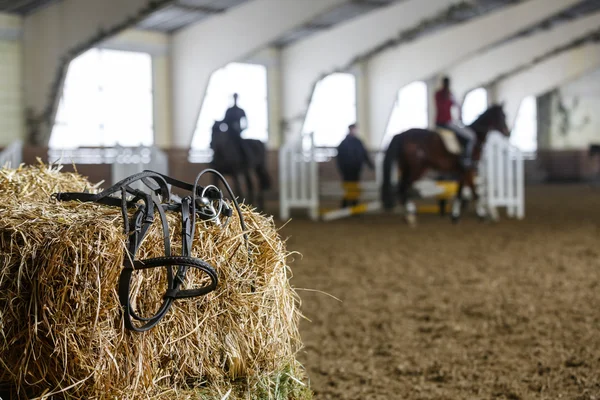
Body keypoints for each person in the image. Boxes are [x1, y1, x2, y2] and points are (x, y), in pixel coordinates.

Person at [435, 76, 475, 168]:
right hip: (445, 123)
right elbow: (450, 107)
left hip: (444, 122)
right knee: (470, 137)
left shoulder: (447, 94)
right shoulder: (442, 94)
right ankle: (466, 159)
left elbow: (457, 106)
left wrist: (460, 117)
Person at [336, 123, 375, 208]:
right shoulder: (344, 143)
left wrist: (371, 165)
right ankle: (346, 205)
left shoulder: (358, 142)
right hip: (347, 170)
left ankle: (353, 204)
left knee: (355, 186)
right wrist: (342, 169)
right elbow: (339, 158)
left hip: (356, 169)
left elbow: (364, 154)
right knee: (348, 186)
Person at [222, 93, 250, 164]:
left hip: (237, 134)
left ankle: (246, 160)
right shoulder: (229, 110)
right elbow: (224, 121)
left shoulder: (240, 111)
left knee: (241, 146)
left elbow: (246, 124)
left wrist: (240, 129)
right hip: (228, 134)